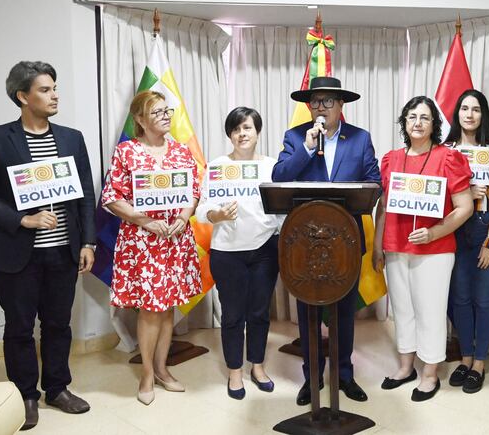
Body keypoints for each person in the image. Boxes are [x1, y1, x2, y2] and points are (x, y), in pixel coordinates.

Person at [0, 61, 95, 430]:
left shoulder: (72, 138)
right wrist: (21, 219)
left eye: (55, 87)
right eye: (45, 89)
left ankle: (57, 388)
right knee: (19, 327)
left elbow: (86, 195)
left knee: (58, 324)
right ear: (22, 96)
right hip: (15, 255)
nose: (55, 94)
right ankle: (25, 395)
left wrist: (88, 241)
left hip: (63, 252)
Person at [272, 76, 380, 406]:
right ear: (309, 107)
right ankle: (312, 377)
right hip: (305, 244)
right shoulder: (296, 137)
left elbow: (373, 182)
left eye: (328, 101)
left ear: (341, 106)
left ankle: (344, 375)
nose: (321, 107)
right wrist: (306, 147)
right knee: (307, 314)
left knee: (344, 314)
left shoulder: (360, 138)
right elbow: (279, 176)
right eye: (316, 102)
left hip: (346, 241)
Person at [101, 90, 201, 405]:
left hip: (174, 239)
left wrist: (184, 218)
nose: (165, 116)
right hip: (142, 241)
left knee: (167, 306)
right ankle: (146, 372)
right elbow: (111, 196)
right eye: (156, 112)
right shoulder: (127, 152)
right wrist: (144, 221)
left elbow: (194, 190)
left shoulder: (181, 152)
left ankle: (162, 368)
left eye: (167, 111)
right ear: (140, 120)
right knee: (149, 309)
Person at [373, 96, 473, 401]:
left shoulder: (448, 158)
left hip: (435, 249)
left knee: (430, 311)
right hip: (395, 246)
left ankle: (430, 373)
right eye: (411, 116)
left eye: (425, 118)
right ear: (404, 122)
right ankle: (406, 367)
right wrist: (378, 245)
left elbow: (465, 207)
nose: (417, 122)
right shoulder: (391, 158)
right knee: (402, 309)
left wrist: (433, 233)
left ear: (434, 124)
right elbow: (384, 206)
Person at [195, 107, 281, 400]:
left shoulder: (272, 166)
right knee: (232, 315)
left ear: (258, 131)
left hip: (265, 250)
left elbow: (281, 208)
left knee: (259, 312)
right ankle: (235, 371)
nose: (242, 134)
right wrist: (217, 214)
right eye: (236, 129)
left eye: (247, 128)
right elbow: (202, 209)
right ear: (229, 135)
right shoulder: (218, 166)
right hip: (227, 252)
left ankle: (257, 366)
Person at [443, 90, 489, 394]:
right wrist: (466, 193)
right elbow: (437, 198)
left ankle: (480, 362)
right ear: (457, 113)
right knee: (460, 299)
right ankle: (465, 359)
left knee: (483, 299)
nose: (470, 114)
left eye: (476, 109)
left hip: (486, 229)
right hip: (455, 230)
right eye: (464, 108)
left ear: (484, 115)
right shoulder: (445, 150)